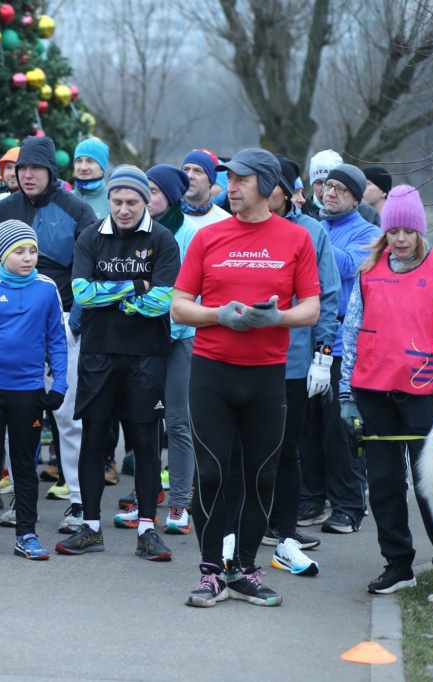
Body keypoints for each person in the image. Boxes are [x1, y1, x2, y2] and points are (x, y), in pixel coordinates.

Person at [171, 148, 320, 607]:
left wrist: (274, 319)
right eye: (227, 179)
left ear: (268, 185)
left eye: (240, 179)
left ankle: (245, 570)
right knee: (213, 473)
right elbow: (178, 305)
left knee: (262, 475)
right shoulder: (207, 237)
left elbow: (312, 308)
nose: (229, 187)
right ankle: (211, 570)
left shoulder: (295, 240)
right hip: (212, 373)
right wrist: (219, 315)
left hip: (267, 377)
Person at [56, 165, 180, 562]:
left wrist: (116, 295)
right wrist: (136, 287)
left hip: (147, 355)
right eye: (117, 201)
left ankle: (147, 530)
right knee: (94, 440)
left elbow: (164, 300)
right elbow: (81, 294)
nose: (124, 209)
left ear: (146, 201)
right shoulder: (91, 236)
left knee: (145, 443)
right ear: (108, 201)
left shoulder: (162, 239)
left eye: (132, 201)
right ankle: (90, 528)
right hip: (98, 352)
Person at [230, 154, 339, 577]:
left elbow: (326, 297)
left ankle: (286, 538)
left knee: (286, 451)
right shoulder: (233, 226)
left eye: (267, 183)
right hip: (239, 358)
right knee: (241, 451)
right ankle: (236, 540)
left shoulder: (310, 232)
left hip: (292, 361)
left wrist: (322, 356)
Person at [0, 134, 98, 533]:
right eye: (22, 169)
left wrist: (76, 321)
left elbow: (90, 270)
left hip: (65, 320)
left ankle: (79, 501)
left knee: (69, 417)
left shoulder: (78, 209)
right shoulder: (1, 210)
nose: (28, 175)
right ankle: (21, 497)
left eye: (36, 168)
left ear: (52, 172)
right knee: (19, 416)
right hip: (13, 327)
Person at [340, 185, 433, 594]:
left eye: (408, 231)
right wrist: (346, 396)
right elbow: (350, 334)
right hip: (373, 388)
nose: (400, 239)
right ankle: (398, 563)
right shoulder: (368, 270)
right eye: (393, 231)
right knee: (384, 482)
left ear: (419, 231)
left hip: (422, 391)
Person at [0, 220, 68, 560]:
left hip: (29, 393)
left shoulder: (47, 288)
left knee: (25, 465)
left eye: (33, 251)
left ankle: (27, 534)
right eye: (18, 251)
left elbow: (57, 341)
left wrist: (59, 386)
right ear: (2, 254)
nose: (27, 258)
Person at [298, 163, 380, 533]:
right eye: (326, 186)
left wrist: (309, 234)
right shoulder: (317, 227)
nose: (329, 193)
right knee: (308, 427)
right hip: (308, 338)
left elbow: (346, 265)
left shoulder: (369, 232)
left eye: (339, 189)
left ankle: (348, 505)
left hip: (343, 347)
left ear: (356, 198)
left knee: (337, 429)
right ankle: (313, 500)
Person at [145, 163, 197, 535]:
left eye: (153, 191)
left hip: (179, 338)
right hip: (139, 339)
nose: (145, 198)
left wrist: (171, 324)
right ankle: (145, 502)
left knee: (177, 422)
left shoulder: (192, 234)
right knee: (142, 422)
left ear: (171, 196)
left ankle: (180, 503)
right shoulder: (133, 231)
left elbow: (195, 289)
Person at [303, 149, 381, 227]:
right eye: (319, 183)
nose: (329, 192)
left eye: (339, 187)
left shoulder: (368, 214)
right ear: (312, 184)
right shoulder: (300, 212)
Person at [180, 149, 230, 227]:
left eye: (198, 171)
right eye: (186, 169)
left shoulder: (225, 221)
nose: (189, 176)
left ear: (211, 180)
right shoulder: (165, 215)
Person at [72, 138, 111, 220]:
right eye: (79, 161)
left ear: (102, 167)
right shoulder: (63, 200)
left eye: (90, 161)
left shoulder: (112, 202)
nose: (83, 167)